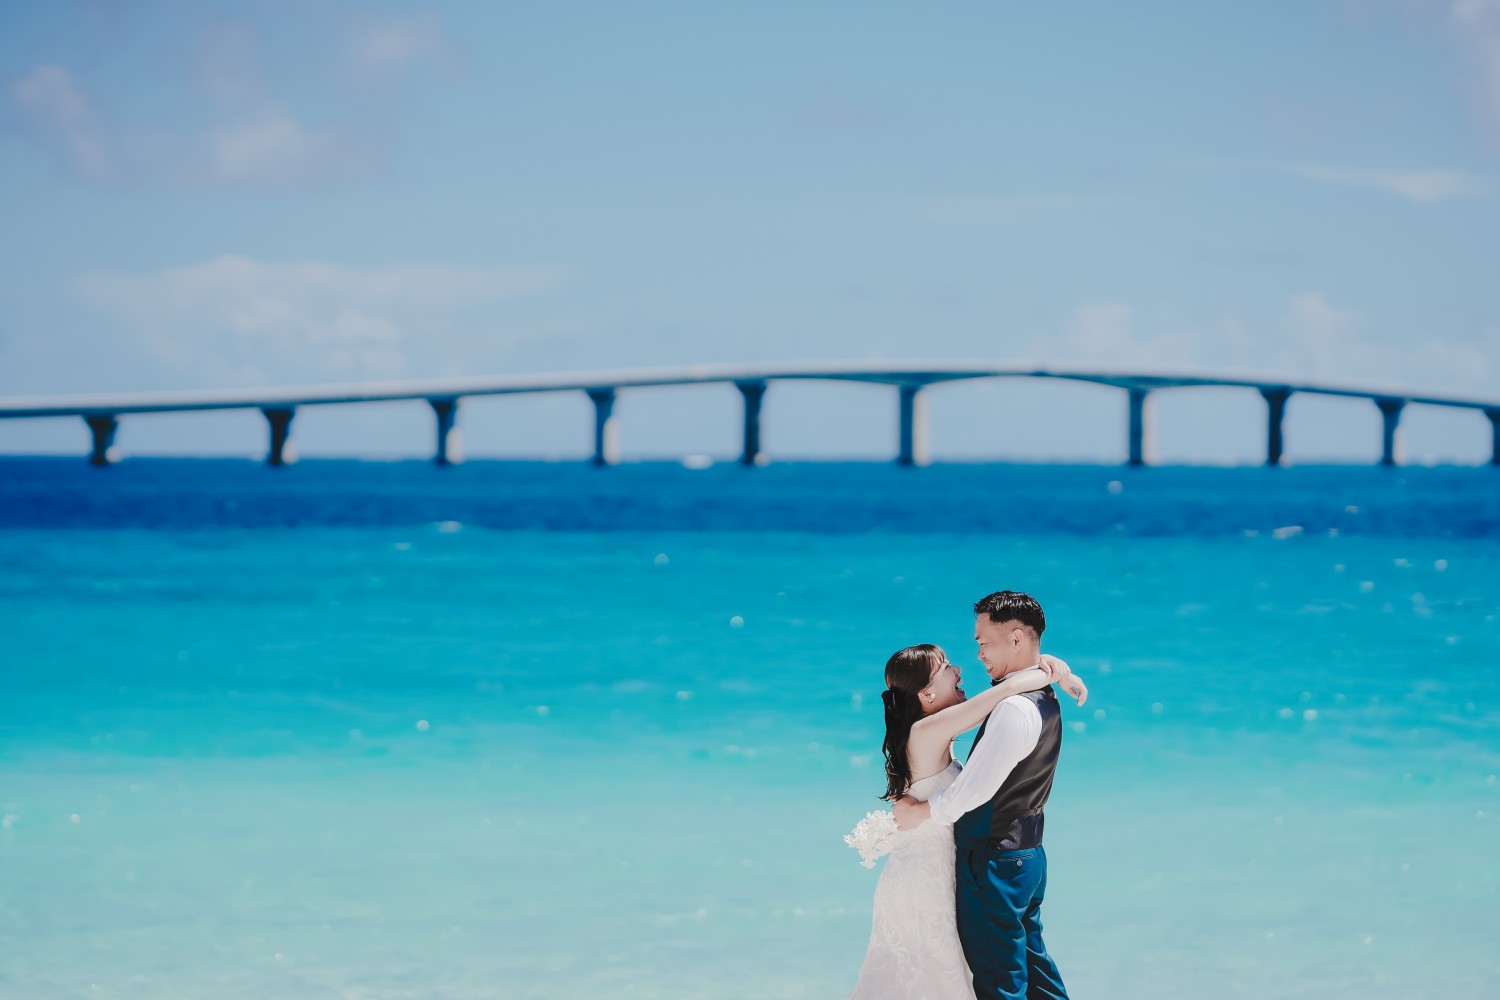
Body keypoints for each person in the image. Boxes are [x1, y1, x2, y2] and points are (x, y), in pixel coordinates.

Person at [845, 637, 1086, 1000]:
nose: (958, 670)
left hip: (942, 872)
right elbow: (1001, 696)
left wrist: (1047, 664)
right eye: (945, 668)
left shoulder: (936, 731)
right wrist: (1054, 670)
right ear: (926, 694)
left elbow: (1007, 694)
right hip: (924, 880)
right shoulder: (926, 732)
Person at [893, 591, 1075, 1000]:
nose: (976, 654)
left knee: (999, 983)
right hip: (1028, 856)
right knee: (1035, 968)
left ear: (1015, 638)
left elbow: (972, 792)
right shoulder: (1044, 696)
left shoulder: (1014, 708)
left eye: (982, 642)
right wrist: (1058, 671)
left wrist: (922, 813)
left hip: (993, 860)